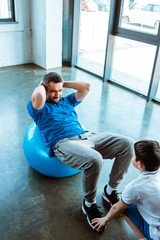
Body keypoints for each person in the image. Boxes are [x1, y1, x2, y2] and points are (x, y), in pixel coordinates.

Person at [27, 72, 134, 231]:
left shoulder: (67, 101)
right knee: (94, 159)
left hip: (88, 137)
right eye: (53, 91)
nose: (57, 94)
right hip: (64, 143)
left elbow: (86, 87)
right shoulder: (39, 109)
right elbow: (38, 96)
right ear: (45, 89)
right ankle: (89, 204)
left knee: (128, 144)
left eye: (59, 90)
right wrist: (43, 85)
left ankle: (110, 191)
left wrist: (61, 84)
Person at [92, 140, 160, 239]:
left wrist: (105, 219)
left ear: (139, 164)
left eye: (134, 156)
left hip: (157, 234)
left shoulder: (136, 186)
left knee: (125, 207)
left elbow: (117, 207)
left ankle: (145, 238)